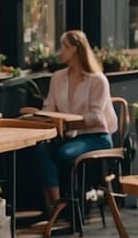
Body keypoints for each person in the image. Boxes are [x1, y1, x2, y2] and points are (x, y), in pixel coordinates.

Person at [29, 31, 118, 213]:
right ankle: (57, 203)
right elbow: (49, 107)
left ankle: (74, 204)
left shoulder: (97, 80)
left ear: (76, 50)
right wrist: (39, 115)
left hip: (96, 136)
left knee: (65, 153)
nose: (60, 52)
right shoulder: (58, 77)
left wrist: (68, 124)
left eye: (64, 47)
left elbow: (95, 117)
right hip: (69, 136)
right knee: (39, 151)